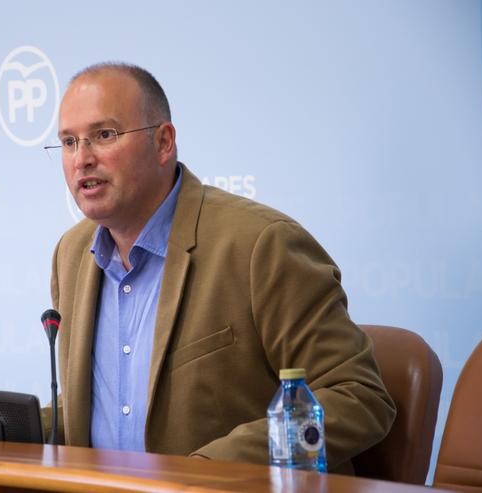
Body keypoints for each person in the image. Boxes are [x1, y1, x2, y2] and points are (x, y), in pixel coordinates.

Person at [45, 62, 395, 473]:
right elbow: (92, 409)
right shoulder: (70, 254)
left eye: (104, 135)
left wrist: (211, 469)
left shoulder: (260, 245)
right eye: (69, 142)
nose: (82, 159)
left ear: (163, 142)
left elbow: (359, 396)